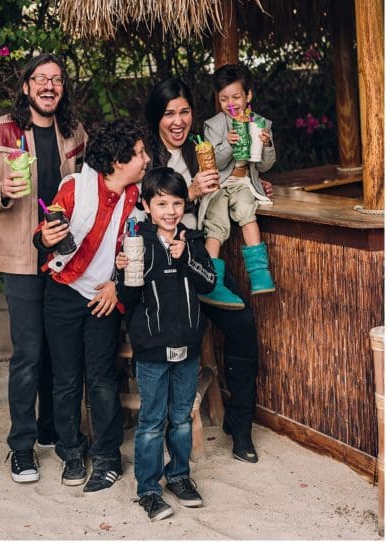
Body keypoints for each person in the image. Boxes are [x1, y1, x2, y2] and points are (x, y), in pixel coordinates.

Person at [0, 53, 87, 484]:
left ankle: (53, 431)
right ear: (26, 86)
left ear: (63, 88)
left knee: (59, 351)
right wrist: (1, 189)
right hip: (20, 259)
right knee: (29, 353)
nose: (49, 86)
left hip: (66, 257)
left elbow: (89, 187)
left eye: (57, 79)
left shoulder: (74, 132)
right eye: (41, 79)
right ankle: (21, 446)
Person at [143, 77, 261, 462]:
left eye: (184, 112)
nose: (178, 121)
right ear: (155, 118)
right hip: (160, 265)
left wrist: (256, 184)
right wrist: (189, 194)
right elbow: (138, 216)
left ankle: (239, 427)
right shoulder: (147, 159)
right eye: (168, 114)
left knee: (242, 323)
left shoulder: (201, 149)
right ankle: (160, 427)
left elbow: (232, 179)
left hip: (198, 257)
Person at [35, 118, 149, 492]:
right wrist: (46, 237)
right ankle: (71, 451)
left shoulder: (138, 196)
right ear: (117, 161)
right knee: (66, 380)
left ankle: (108, 456)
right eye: (140, 153)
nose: (147, 159)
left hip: (103, 297)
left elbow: (138, 252)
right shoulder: (75, 186)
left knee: (101, 381)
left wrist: (117, 288)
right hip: (64, 292)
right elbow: (47, 229)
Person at [116, 167, 217, 521]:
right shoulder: (137, 243)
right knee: (151, 421)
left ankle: (179, 476)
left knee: (182, 418)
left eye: (176, 203)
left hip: (187, 347)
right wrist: (124, 269)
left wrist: (186, 258)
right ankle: (148, 489)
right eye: (161, 203)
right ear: (146, 205)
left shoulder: (192, 241)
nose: (170, 211)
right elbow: (126, 298)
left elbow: (208, 283)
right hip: (152, 351)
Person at [200, 63, 276, 295]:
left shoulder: (261, 124)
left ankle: (260, 274)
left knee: (247, 212)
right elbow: (215, 163)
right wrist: (228, 145)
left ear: (248, 95)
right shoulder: (214, 126)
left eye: (236, 97)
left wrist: (267, 144)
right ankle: (212, 281)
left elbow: (265, 165)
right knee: (216, 223)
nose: (230, 104)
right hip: (219, 185)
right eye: (224, 99)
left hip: (244, 185)